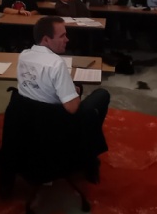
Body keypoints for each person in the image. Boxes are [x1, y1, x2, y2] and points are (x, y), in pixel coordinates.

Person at [17, 16, 109, 181]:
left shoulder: (23, 55)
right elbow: (72, 108)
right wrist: (73, 94)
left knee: (76, 87)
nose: (67, 39)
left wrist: (70, 88)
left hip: (30, 121)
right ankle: (87, 154)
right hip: (55, 125)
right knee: (102, 95)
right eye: (62, 36)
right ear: (46, 39)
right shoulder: (56, 64)